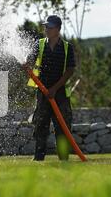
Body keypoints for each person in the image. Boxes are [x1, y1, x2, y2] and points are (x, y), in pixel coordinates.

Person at [22, 15, 76, 161]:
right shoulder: (39, 45)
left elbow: (70, 70)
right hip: (43, 92)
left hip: (61, 94)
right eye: (45, 26)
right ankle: (38, 157)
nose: (46, 29)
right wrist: (26, 65)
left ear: (58, 29)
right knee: (41, 124)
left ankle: (64, 158)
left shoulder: (67, 47)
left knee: (63, 126)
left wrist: (55, 88)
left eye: (49, 27)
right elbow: (30, 62)